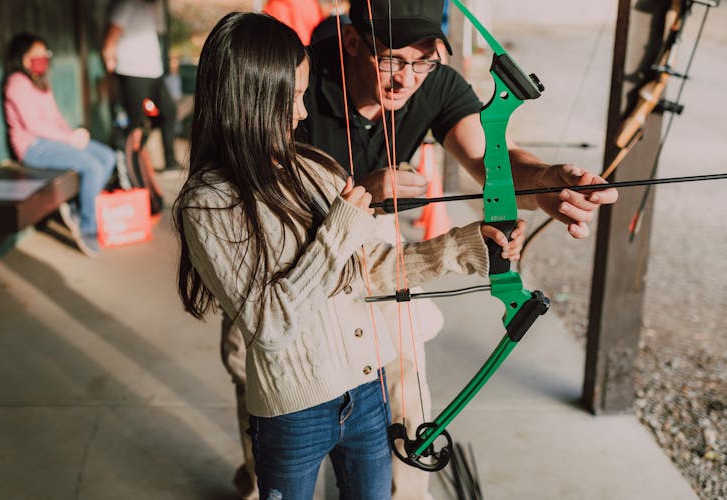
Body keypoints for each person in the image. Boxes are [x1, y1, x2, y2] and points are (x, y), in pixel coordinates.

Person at [223, 0, 621, 499]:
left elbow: (487, 158)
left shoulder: (434, 81)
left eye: (424, 61)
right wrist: (362, 192)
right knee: (254, 363)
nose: (406, 80)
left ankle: (403, 492)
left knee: (404, 380)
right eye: (391, 60)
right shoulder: (298, 82)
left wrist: (547, 182)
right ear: (351, 42)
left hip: (373, 246)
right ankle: (262, 480)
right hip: (283, 245)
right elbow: (254, 198)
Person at [174, 12, 527, 499]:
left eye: (301, 97)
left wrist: (463, 246)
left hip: (367, 392)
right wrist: (341, 225)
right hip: (292, 412)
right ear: (248, 100)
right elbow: (268, 324)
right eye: (291, 99)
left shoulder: (315, 168)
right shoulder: (209, 202)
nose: (301, 115)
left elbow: (366, 270)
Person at [3, 33, 115, 257]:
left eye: (45, 53)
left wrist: (73, 134)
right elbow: (33, 125)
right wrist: (70, 140)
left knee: (107, 157)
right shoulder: (16, 82)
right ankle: (87, 227)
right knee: (92, 166)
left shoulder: (41, 80)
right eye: (37, 54)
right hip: (33, 147)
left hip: (54, 141)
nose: (43, 58)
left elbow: (55, 117)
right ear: (22, 57)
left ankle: (76, 206)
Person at [102, 0, 180, 170]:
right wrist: (109, 65)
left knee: (169, 112)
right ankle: (132, 167)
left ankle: (170, 161)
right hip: (132, 72)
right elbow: (112, 36)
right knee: (136, 123)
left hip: (154, 72)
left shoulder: (147, 6)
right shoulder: (125, 4)